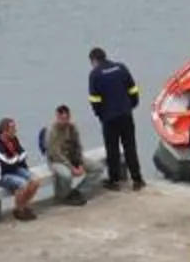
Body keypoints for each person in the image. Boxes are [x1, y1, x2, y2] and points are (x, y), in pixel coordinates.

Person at [87, 47, 143, 189]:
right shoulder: (121, 67)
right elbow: (133, 89)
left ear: (94, 60)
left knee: (112, 149)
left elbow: (95, 100)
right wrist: (132, 105)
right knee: (130, 147)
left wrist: (100, 115)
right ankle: (137, 179)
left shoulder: (95, 74)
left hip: (109, 118)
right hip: (126, 114)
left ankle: (114, 180)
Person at [0, 117, 40, 220]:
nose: (15, 130)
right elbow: (5, 160)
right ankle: (18, 210)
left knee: (35, 181)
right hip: (1, 175)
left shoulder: (13, 139)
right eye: (12, 128)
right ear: (4, 130)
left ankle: (24, 205)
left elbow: (23, 153)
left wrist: (16, 158)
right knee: (23, 185)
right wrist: (17, 158)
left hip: (15, 169)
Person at [42, 103, 89, 202]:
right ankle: (64, 196)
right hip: (56, 160)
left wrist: (79, 163)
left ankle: (77, 192)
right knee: (67, 175)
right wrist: (72, 167)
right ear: (57, 117)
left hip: (71, 157)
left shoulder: (72, 128)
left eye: (66, 118)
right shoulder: (52, 131)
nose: (64, 121)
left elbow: (78, 147)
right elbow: (55, 154)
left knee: (97, 168)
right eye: (61, 118)